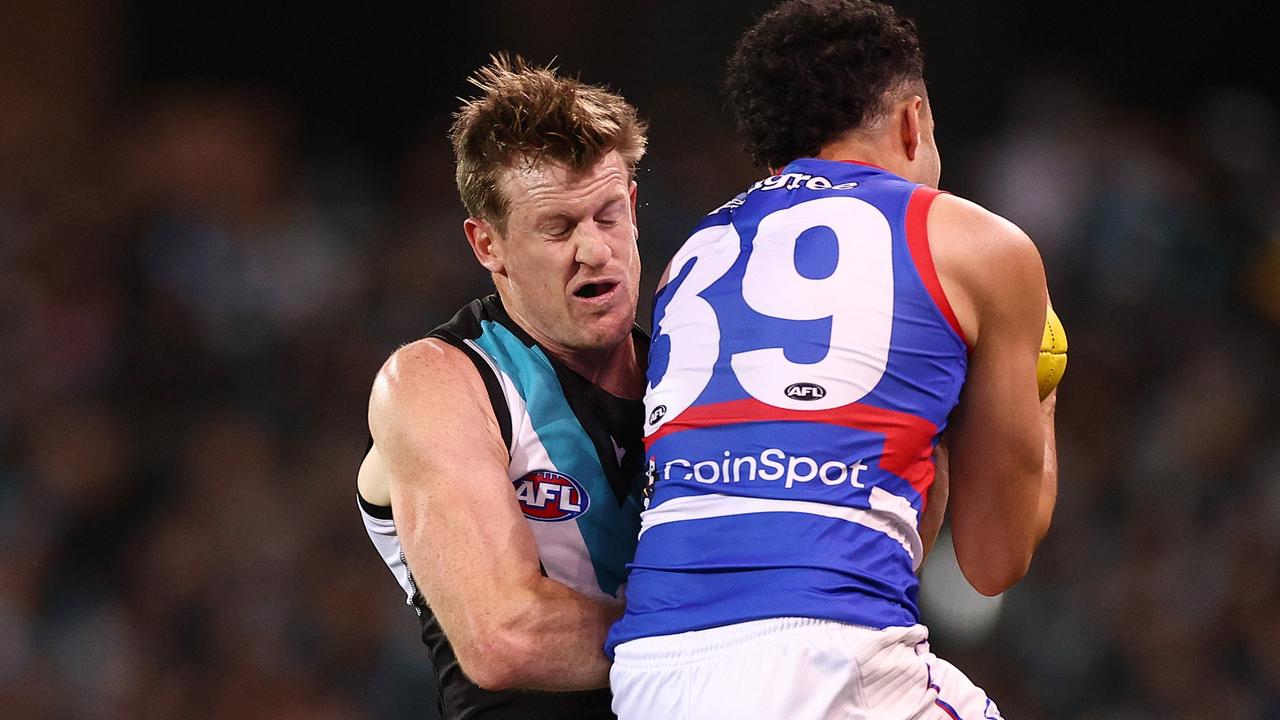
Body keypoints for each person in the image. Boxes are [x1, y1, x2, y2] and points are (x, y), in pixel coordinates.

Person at [607, 1, 1060, 718]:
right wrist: (1042, 390)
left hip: (650, 670)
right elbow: (994, 561)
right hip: (826, 654)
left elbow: (893, 535)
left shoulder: (689, 258)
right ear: (913, 121)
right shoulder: (979, 246)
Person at [358, 55, 649, 720]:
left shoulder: (693, 371)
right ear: (488, 245)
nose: (594, 250)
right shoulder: (436, 383)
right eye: (558, 227)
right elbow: (506, 637)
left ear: (632, 205)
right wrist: (729, 636)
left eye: (607, 214)